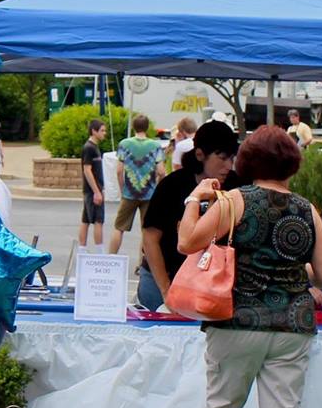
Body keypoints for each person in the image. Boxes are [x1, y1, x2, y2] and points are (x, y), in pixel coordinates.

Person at [179, 124, 322, 408]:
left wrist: (195, 199)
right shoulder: (307, 209)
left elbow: (187, 242)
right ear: (291, 164)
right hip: (293, 325)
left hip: (237, 319)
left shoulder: (234, 201)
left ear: (247, 162)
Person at [139, 120, 237, 310]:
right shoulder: (172, 185)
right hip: (162, 278)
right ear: (200, 154)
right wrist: (166, 289)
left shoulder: (236, 186)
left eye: (232, 159)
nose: (228, 166)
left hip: (212, 282)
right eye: (222, 158)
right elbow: (150, 238)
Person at [107, 113, 165, 256]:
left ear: (133, 127)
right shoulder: (156, 146)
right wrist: (156, 189)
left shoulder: (124, 144)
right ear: (147, 127)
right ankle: (141, 264)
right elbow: (162, 172)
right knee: (146, 230)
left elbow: (119, 171)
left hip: (129, 193)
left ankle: (111, 260)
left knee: (118, 227)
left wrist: (122, 189)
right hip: (149, 194)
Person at [77, 117, 107, 250]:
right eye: (102, 130)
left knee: (86, 219)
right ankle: (99, 251)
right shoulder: (89, 148)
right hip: (93, 190)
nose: (104, 133)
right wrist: (96, 191)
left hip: (93, 190)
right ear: (94, 131)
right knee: (98, 220)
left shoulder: (95, 147)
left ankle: (81, 249)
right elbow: (87, 170)